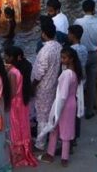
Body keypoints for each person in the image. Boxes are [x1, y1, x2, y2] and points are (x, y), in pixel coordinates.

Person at [39, 47, 83, 167]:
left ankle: (54, 155)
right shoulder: (74, 73)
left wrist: (56, 109)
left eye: (64, 58)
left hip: (63, 104)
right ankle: (62, 157)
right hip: (71, 103)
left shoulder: (67, 74)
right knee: (64, 130)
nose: (61, 60)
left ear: (71, 59)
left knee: (57, 128)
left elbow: (62, 95)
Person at [3, 46, 37, 167]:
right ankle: (24, 151)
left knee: (15, 128)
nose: (4, 57)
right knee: (22, 126)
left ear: (11, 57)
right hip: (21, 101)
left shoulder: (12, 72)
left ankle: (17, 154)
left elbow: (12, 92)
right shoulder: (18, 70)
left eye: (6, 55)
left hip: (15, 103)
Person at [32, 21, 62, 150]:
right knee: (50, 113)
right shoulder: (58, 47)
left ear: (44, 34)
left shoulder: (45, 51)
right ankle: (49, 138)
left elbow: (39, 73)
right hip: (53, 85)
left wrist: (32, 86)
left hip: (43, 88)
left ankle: (40, 143)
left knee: (42, 117)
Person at [73, 0, 97, 118]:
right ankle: (89, 110)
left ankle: (77, 110)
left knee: (79, 83)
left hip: (81, 54)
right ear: (93, 9)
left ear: (83, 9)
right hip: (94, 55)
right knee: (91, 83)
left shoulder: (78, 21)